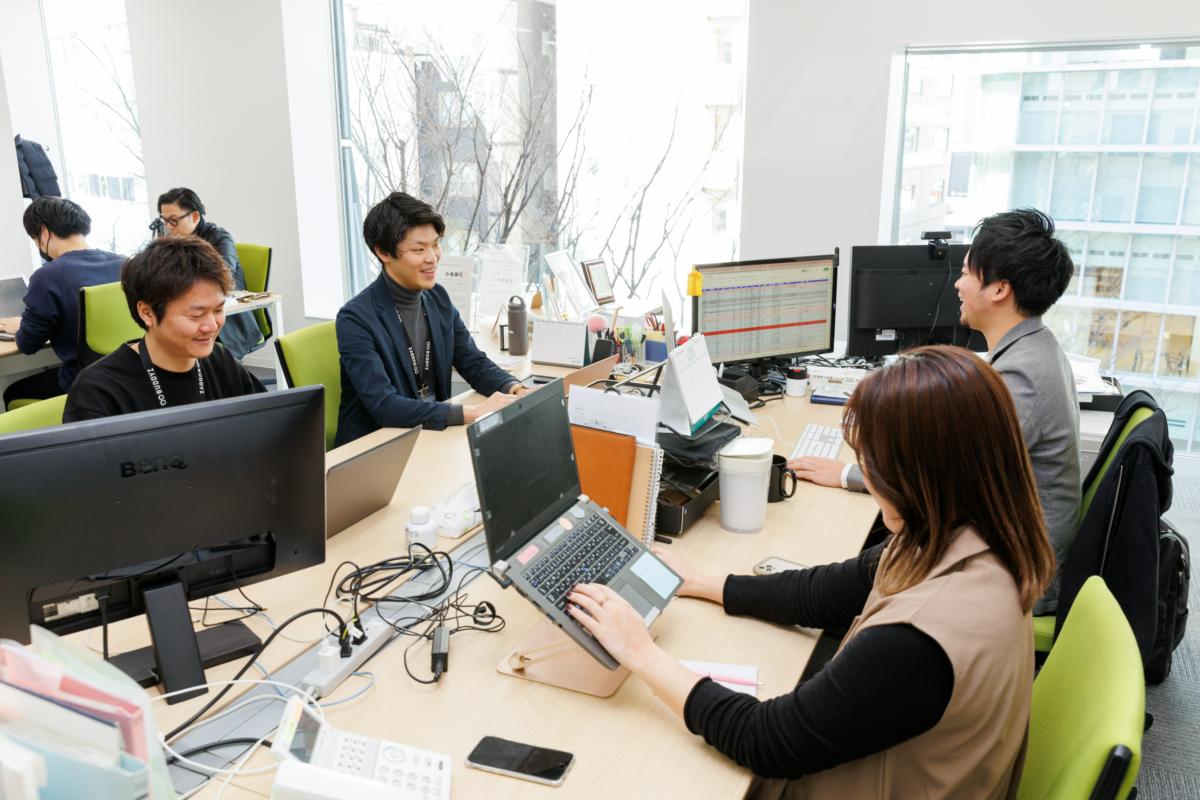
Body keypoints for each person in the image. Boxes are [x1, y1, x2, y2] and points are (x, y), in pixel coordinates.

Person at [568, 346, 1054, 797]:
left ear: (917, 475)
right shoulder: (968, 535)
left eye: (871, 461)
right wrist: (703, 583)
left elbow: (764, 740)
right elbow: (826, 592)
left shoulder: (919, 640)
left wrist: (640, 651)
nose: (867, 474)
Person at [790, 207, 1079, 614]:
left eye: (966, 273)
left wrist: (846, 474)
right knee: (858, 556)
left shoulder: (1021, 378)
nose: (957, 285)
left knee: (850, 562)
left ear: (999, 289)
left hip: (1016, 576)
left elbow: (947, 484)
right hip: (1006, 546)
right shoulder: (1033, 348)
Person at [335, 192, 523, 445]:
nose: (432, 258)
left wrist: (515, 388)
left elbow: (473, 362)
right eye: (419, 249)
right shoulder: (355, 319)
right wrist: (474, 412)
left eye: (435, 245)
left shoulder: (437, 298)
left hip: (430, 434)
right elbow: (384, 405)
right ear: (383, 252)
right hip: (378, 446)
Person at [64, 236, 265, 422]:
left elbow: (267, 425)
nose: (212, 326)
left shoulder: (220, 361)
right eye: (196, 315)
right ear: (147, 313)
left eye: (218, 310)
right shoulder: (98, 391)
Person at [0, 197, 123, 408]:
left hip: (82, 385)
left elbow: (27, 344)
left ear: (44, 232)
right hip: (127, 378)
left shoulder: (48, 276)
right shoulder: (125, 263)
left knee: (13, 392)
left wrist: (21, 325)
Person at [155, 187, 262, 359]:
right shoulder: (171, 242)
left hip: (226, 318)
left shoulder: (219, 238)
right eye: (164, 220)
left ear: (195, 216)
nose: (168, 226)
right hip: (189, 311)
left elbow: (223, 275)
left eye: (174, 220)